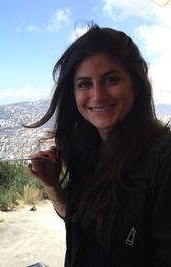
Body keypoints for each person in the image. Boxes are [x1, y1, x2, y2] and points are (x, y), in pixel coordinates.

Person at [26, 23, 171, 266]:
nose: (98, 95)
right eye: (84, 84)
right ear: (73, 93)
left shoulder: (163, 161)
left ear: (135, 84)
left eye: (111, 79)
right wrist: (53, 186)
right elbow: (80, 223)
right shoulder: (88, 150)